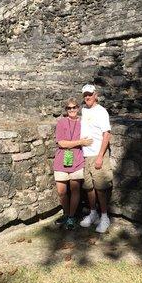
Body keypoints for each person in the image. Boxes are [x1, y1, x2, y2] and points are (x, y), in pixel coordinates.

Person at [53, 97, 93, 230]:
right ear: (66, 110)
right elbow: (61, 143)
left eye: (74, 107)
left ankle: (71, 216)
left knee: (75, 190)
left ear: (78, 108)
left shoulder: (83, 123)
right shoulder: (61, 123)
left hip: (77, 159)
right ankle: (66, 213)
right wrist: (79, 142)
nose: (72, 110)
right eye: (69, 108)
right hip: (62, 160)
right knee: (61, 191)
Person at [79, 84, 113, 233]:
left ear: (95, 95)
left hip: (97, 154)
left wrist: (100, 156)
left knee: (100, 188)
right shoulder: (84, 110)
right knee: (89, 187)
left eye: (90, 94)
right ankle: (93, 213)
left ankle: (105, 217)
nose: (87, 97)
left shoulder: (101, 111)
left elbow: (107, 134)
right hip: (85, 154)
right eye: (85, 95)